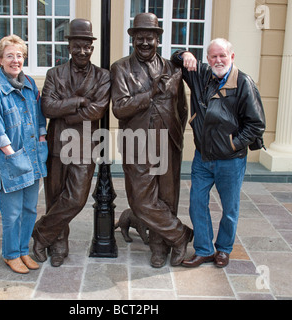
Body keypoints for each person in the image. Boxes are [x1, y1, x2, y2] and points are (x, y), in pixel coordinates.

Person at [171, 38, 266, 268]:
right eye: (213, 56)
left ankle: (223, 249)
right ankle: (204, 249)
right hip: (203, 158)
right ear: (207, 58)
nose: (218, 60)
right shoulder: (200, 74)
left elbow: (256, 125)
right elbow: (173, 58)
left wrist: (233, 144)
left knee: (229, 208)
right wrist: (184, 53)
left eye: (222, 55)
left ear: (232, 57)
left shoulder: (244, 83)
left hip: (231, 160)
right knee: (196, 203)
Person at [111, 13, 193, 268]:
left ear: (158, 39)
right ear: (132, 39)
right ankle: (181, 235)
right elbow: (120, 108)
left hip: (168, 142)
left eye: (150, 38)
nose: (144, 43)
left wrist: (177, 134)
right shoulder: (121, 68)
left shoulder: (173, 69)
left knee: (167, 198)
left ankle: (160, 247)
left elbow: (182, 107)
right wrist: (150, 93)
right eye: (139, 38)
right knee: (141, 200)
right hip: (137, 143)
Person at [32, 19, 111, 267]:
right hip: (56, 146)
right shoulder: (54, 74)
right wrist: (78, 101)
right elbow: (47, 106)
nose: (82, 51)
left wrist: (64, 109)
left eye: (87, 46)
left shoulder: (103, 76)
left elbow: (98, 111)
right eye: (77, 46)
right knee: (55, 198)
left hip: (86, 147)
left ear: (92, 48)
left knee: (76, 198)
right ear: (69, 46)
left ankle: (41, 233)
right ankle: (58, 242)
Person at [0, 35, 48, 274]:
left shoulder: (29, 84)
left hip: (32, 156)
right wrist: (11, 153)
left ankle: (23, 250)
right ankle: (10, 254)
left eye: (19, 55)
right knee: (12, 212)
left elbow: (39, 118)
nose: (15, 60)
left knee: (30, 209)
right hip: (11, 160)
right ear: (0, 60)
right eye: (9, 56)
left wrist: (41, 139)